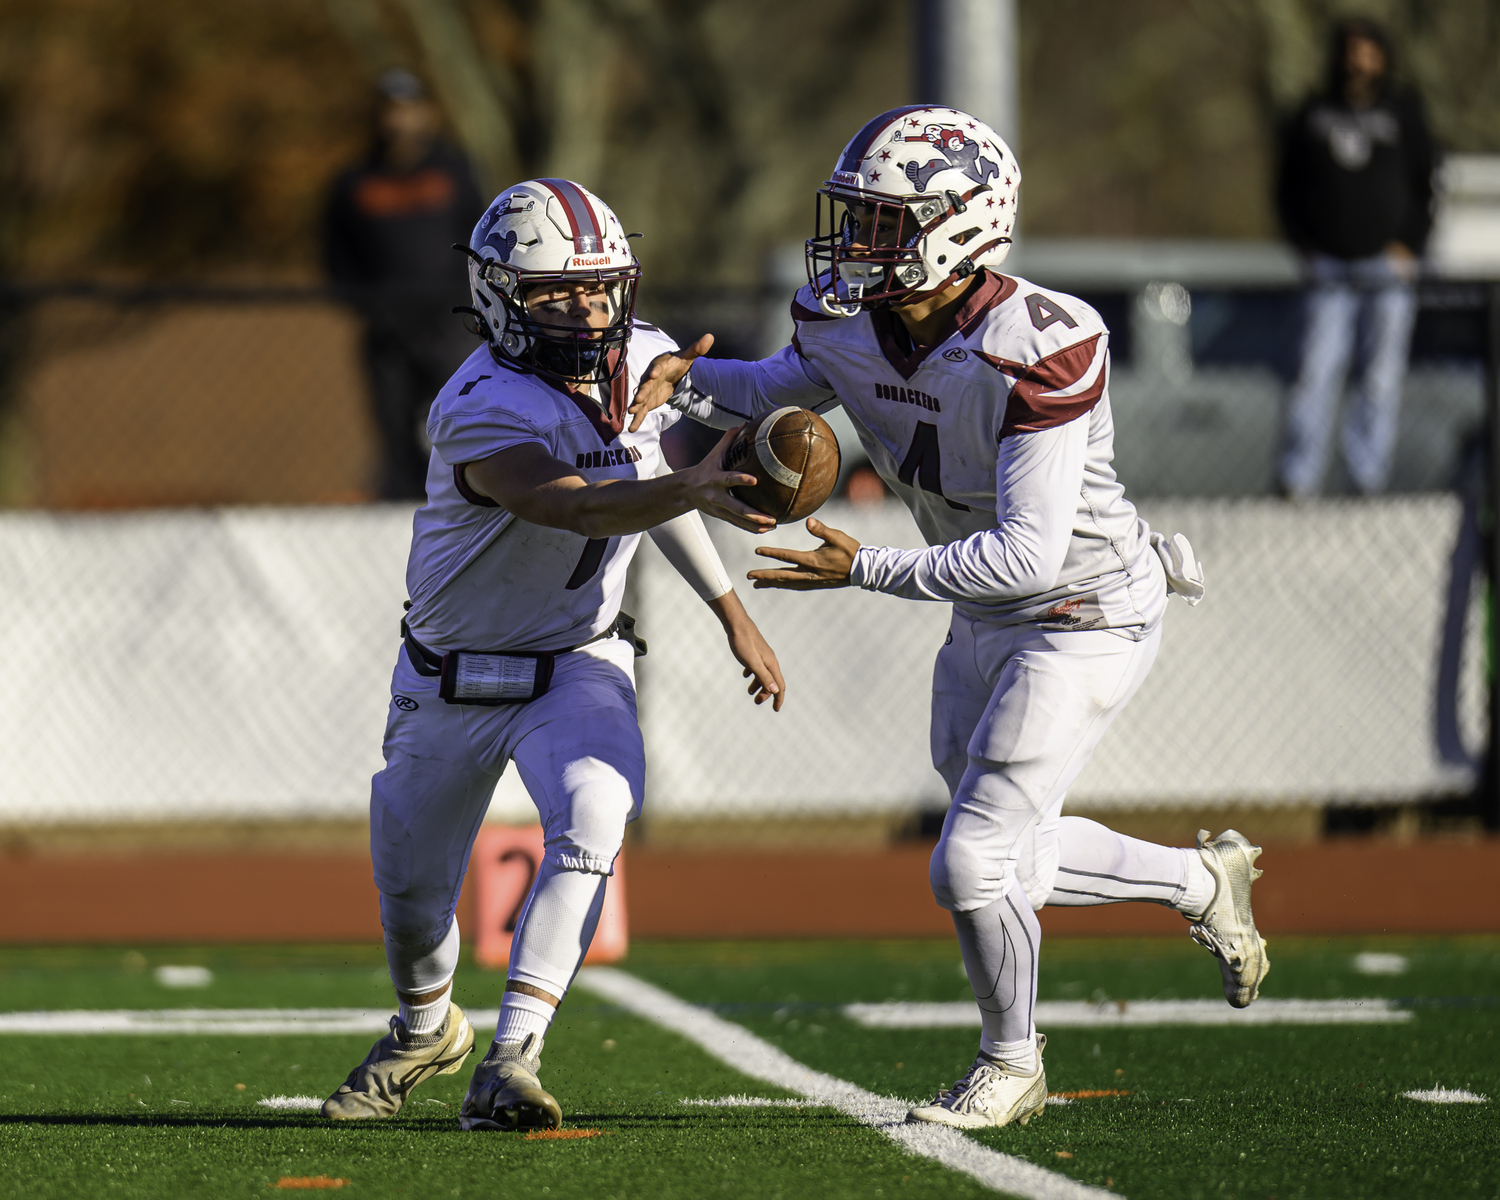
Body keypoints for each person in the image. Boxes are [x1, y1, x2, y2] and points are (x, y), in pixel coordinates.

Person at [629, 106, 1268, 1129]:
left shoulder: (1043, 344)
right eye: (859, 219)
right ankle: (1200, 881)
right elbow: (784, 386)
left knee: (972, 859)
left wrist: (865, 567)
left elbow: (1028, 552)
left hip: (1081, 609)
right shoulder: (850, 323)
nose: (857, 243)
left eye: (884, 224)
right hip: (985, 616)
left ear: (962, 227)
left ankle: (1011, 1064)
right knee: (1013, 846)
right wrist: (690, 379)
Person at [321, 178, 786, 1131]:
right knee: (414, 906)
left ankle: (513, 1057)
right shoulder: (477, 405)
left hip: (578, 657)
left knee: (595, 810)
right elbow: (579, 502)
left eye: (600, 286)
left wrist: (730, 607)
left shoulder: (649, 358)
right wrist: (693, 488)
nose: (586, 308)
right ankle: (424, 1027)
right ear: (498, 296)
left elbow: (655, 474)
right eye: (553, 292)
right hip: (451, 677)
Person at [1276, 17, 1436, 498]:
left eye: (1368, 51)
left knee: (1381, 377)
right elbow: (1286, 189)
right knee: (1314, 371)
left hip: (1387, 268)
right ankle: (1297, 480)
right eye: (1351, 50)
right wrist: (1303, 242)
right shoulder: (1312, 111)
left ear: (1383, 57)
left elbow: (1428, 185)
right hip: (1328, 268)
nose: (1358, 61)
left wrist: (1410, 243)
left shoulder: (1404, 112)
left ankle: (1366, 479)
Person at [324, 70, 487, 500]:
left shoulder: (455, 172)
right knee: (395, 433)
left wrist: (462, 305)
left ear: (427, 115)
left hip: (451, 328)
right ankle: (403, 510)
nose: (399, 123)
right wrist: (371, 309)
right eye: (389, 112)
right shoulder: (353, 183)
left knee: (462, 421)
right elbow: (337, 258)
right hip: (388, 331)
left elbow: (481, 239)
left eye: (408, 111)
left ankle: (468, 502)